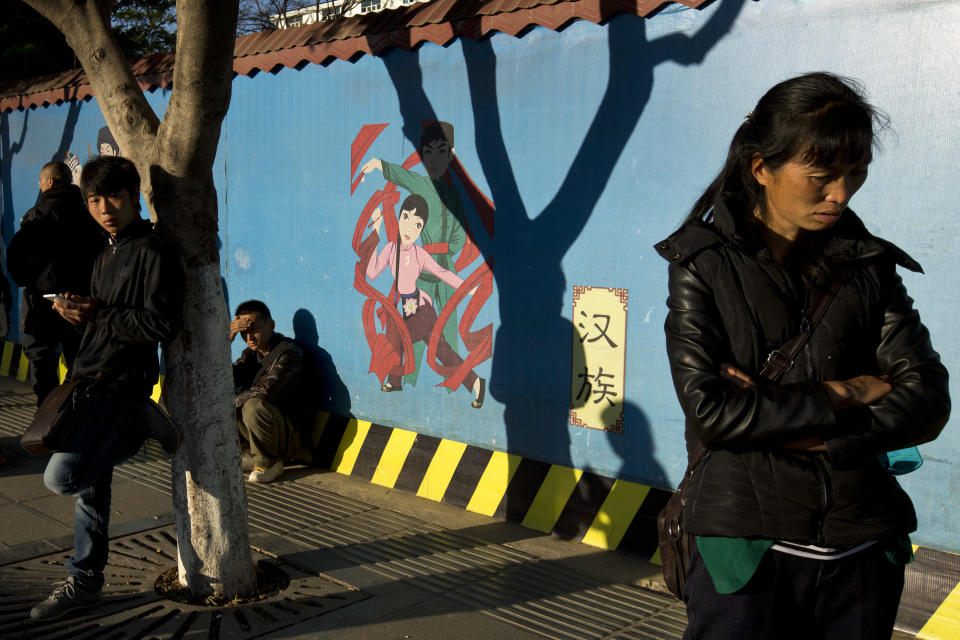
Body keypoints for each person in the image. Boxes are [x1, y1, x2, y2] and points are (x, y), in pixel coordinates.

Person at [654, 72, 950, 640]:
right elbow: (714, 414)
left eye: (854, 174)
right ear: (761, 167)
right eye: (821, 176)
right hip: (745, 550)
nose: (840, 194)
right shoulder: (702, 265)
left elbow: (928, 401)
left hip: (861, 543)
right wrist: (847, 391)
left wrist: (797, 425)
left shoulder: (868, 266)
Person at [29, 155, 182, 621]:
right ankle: (86, 581)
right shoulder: (105, 252)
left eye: (113, 196)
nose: (104, 208)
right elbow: (105, 319)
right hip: (89, 378)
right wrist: (75, 311)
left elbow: (160, 323)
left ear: (135, 197)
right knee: (89, 490)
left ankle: (141, 422)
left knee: (64, 478)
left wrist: (97, 314)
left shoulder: (151, 252)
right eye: (94, 199)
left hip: (120, 388)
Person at [359, 121, 468, 387]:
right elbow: (399, 175)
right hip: (420, 270)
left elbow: (460, 234)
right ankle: (407, 378)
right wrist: (377, 164)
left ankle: (454, 379)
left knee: (448, 323)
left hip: (445, 266)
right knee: (412, 327)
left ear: (451, 154)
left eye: (441, 151)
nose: (434, 158)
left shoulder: (454, 195)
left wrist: (447, 251)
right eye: (427, 152)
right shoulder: (420, 185)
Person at [362, 194, 484, 407]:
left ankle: (395, 380)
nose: (410, 228)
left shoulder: (420, 254)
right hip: (408, 311)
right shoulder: (391, 249)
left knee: (399, 337)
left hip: (422, 310)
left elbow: (442, 273)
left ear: (421, 230)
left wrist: (469, 289)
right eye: (407, 218)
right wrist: (375, 230)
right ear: (400, 218)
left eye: (417, 224)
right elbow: (371, 272)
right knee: (443, 352)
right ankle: (475, 382)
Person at [7, 161, 104, 405]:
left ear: (49, 182)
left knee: (42, 361)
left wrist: (34, 283)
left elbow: (16, 263)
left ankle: (48, 416)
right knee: (79, 361)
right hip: (80, 303)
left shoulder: (37, 216)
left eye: (40, 182)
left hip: (42, 305)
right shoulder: (88, 214)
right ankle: (75, 417)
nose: (39, 186)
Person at [230, 299, 313, 483]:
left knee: (252, 405)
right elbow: (223, 378)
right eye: (244, 332)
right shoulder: (252, 354)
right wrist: (226, 339)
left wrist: (231, 402)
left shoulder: (289, 353)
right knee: (222, 395)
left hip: (292, 439)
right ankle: (251, 453)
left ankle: (269, 462)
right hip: (268, 434)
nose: (249, 338)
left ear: (271, 325)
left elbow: (265, 392)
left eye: (255, 330)